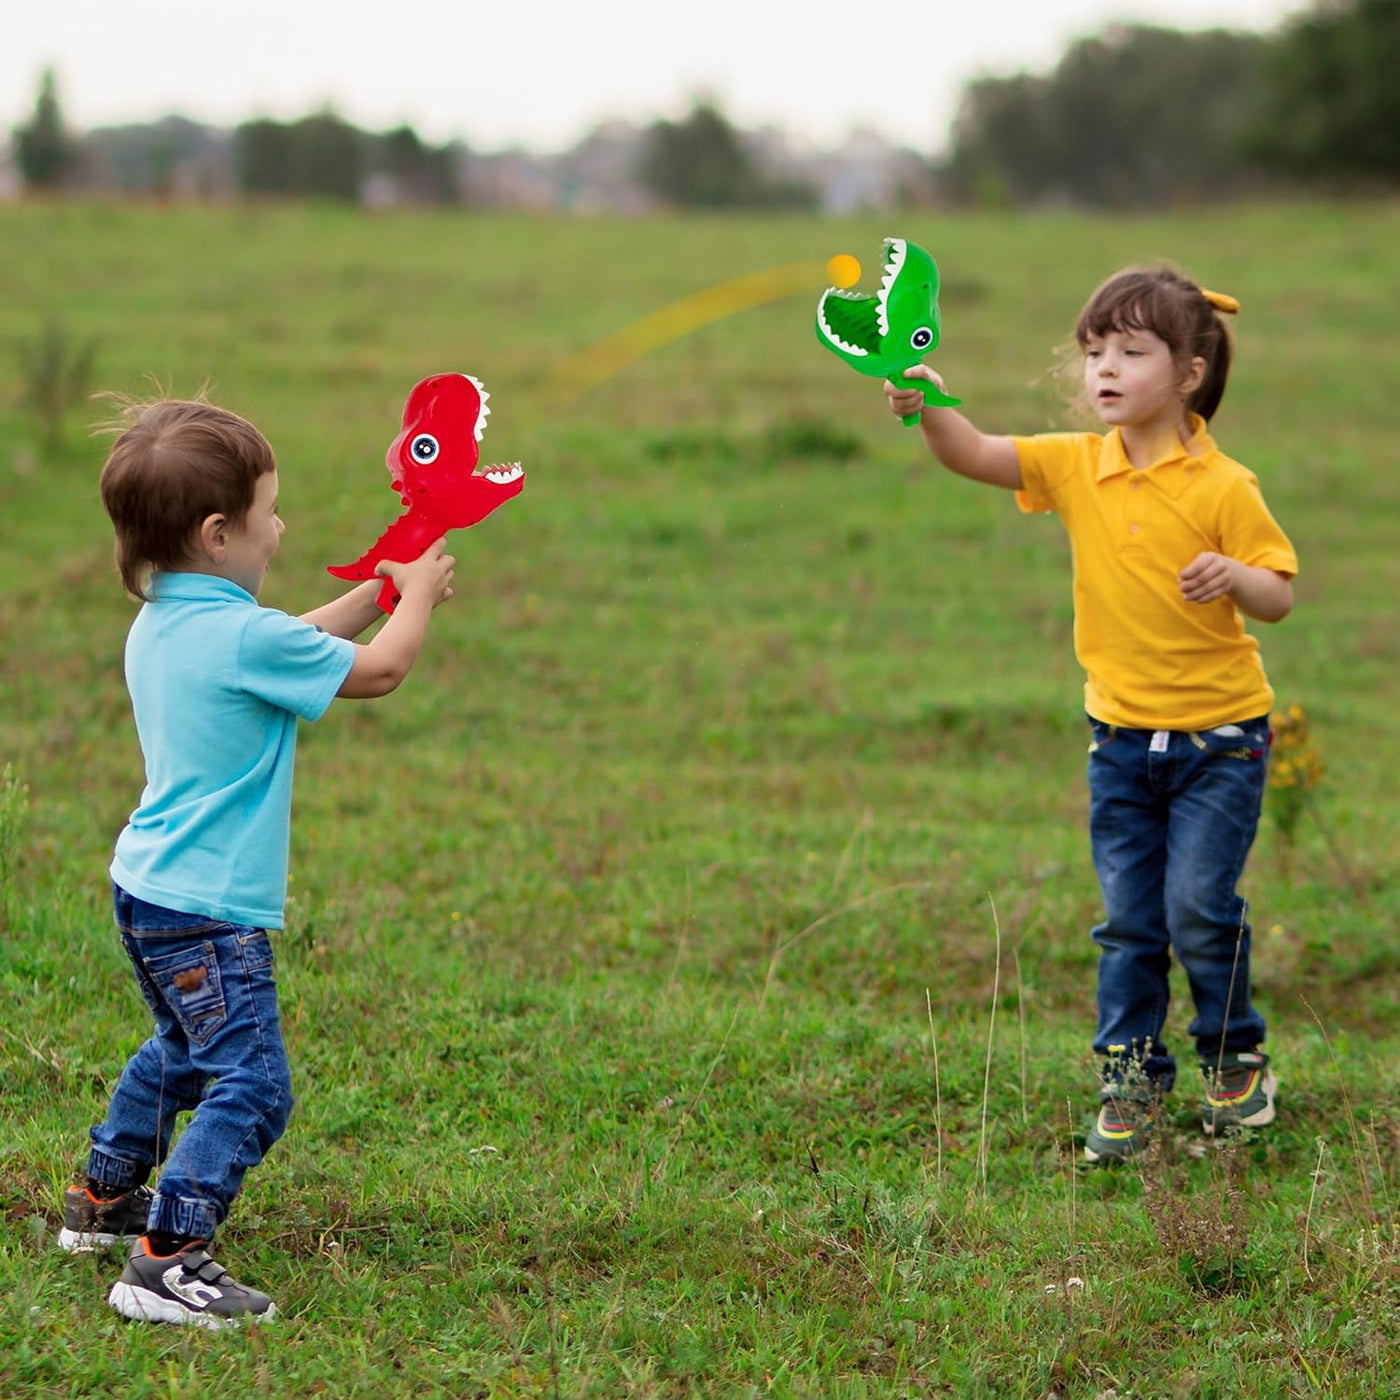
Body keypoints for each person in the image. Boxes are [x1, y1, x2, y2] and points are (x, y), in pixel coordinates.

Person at [886, 266, 1297, 1162]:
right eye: (1094, 351)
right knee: (1128, 921)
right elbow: (978, 453)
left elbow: (1278, 596)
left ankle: (1235, 1062)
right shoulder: (1077, 466)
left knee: (1196, 908)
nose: (1103, 369)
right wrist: (927, 406)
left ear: (1188, 374)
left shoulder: (1225, 485)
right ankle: (1132, 1083)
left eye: (1131, 352)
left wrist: (1236, 577)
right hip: (1118, 743)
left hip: (1220, 743)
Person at [60, 397, 455, 1325]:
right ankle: (168, 1258)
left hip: (148, 890)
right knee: (252, 1084)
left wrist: (371, 595)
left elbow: (287, 644)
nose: (281, 526)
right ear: (217, 534)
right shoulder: (243, 636)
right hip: (209, 909)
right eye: (271, 511)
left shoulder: (170, 618)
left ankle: (105, 1199)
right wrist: (421, 603)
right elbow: (380, 672)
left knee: (186, 1053)